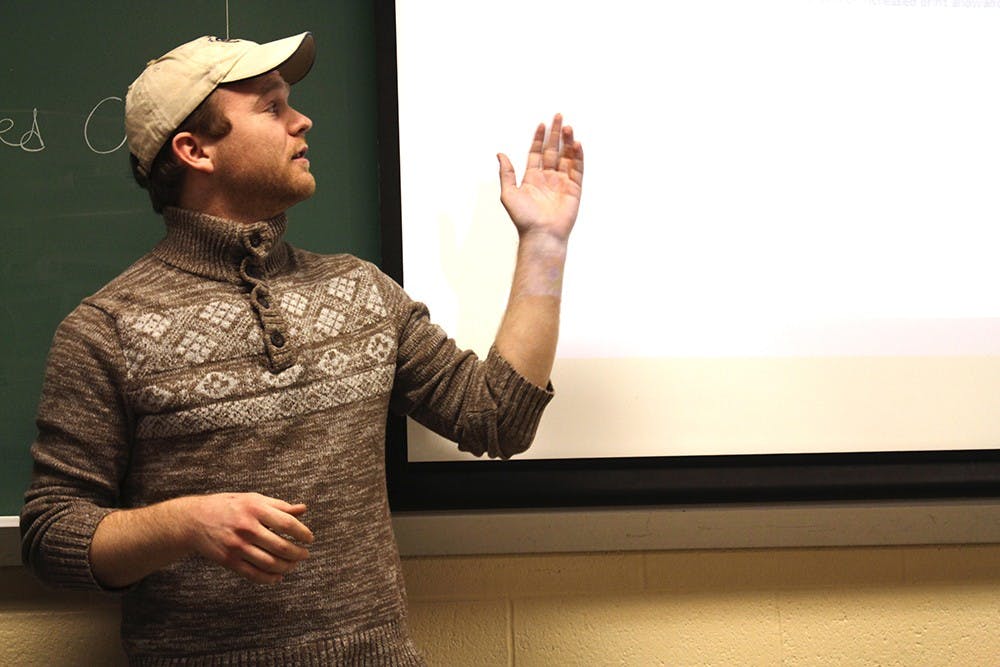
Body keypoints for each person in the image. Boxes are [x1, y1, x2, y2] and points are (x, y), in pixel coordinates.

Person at [20, 31, 582, 665]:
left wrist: (544, 244)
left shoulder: (359, 290)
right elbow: (50, 537)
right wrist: (184, 524)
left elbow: (496, 417)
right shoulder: (105, 328)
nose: (302, 119)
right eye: (271, 107)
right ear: (194, 149)